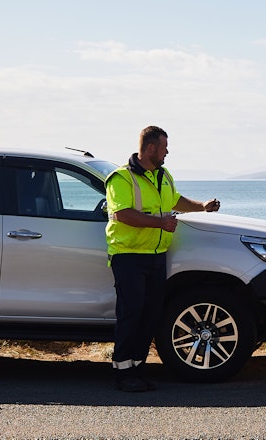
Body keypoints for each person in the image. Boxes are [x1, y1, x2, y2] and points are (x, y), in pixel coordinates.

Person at [106, 125, 221, 393]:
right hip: (129, 256)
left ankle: (137, 369)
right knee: (131, 313)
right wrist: (160, 223)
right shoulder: (121, 179)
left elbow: (175, 200)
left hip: (156, 257)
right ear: (150, 148)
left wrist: (201, 207)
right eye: (164, 147)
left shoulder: (163, 174)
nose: (167, 151)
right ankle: (122, 374)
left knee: (150, 315)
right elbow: (123, 214)